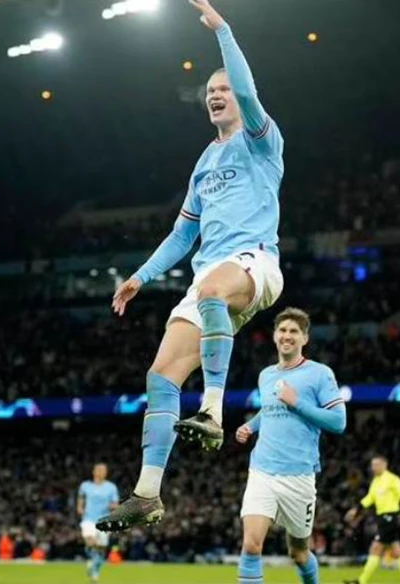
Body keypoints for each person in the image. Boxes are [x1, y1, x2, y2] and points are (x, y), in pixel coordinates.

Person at [97, 0, 285, 532]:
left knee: (209, 291)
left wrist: (222, 29)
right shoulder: (204, 162)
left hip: (254, 265)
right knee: (160, 375)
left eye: (222, 90)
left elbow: (248, 92)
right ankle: (147, 494)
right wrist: (141, 276)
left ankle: (214, 410)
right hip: (210, 278)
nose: (216, 96)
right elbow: (183, 232)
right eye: (209, 93)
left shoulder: (261, 141)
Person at [233, 307, 347, 584]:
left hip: (298, 476)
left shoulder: (320, 374)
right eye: (282, 330)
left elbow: (338, 422)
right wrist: (251, 425)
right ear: (274, 336)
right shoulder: (266, 375)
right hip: (262, 471)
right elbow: (271, 409)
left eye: (294, 331)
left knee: (298, 552)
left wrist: (297, 402)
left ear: (304, 339)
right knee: (250, 545)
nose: (287, 336)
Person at [344, 456, 400, 584]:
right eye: (372, 465)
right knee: (397, 552)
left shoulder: (392, 479)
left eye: (377, 464)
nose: (374, 468)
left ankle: (361, 581)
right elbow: (370, 498)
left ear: (385, 465)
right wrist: (356, 510)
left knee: (375, 548)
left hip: (391, 517)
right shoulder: (376, 481)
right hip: (382, 519)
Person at [77, 463, 119, 583]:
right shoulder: (85, 485)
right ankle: (92, 564)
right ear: (93, 472)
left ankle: (94, 569)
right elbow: (80, 497)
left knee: (101, 548)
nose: (101, 472)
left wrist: (113, 506)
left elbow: (115, 503)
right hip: (88, 519)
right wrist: (79, 507)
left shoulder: (111, 487)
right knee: (90, 541)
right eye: (99, 470)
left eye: (103, 470)